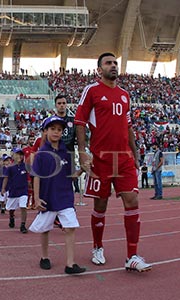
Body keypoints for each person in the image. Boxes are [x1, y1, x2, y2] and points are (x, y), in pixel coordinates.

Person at [75, 52, 152, 272]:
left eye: (115, 63)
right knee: (100, 205)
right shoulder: (91, 90)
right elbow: (79, 120)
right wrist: (82, 152)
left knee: (132, 201)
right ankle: (97, 246)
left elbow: (128, 126)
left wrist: (135, 153)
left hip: (125, 158)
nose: (113, 66)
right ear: (99, 69)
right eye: (108, 63)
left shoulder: (125, 95)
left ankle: (132, 256)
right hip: (101, 158)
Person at [29, 116, 85, 275]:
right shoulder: (41, 154)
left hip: (65, 196)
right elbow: (36, 176)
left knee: (70, 227)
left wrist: (82, 169)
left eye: (59, 129)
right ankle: (44, 257)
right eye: (52, 129)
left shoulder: (66, 153)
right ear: (45, 131)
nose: (56, 132)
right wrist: (37, 197)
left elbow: (71, 176)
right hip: (48, 197)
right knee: (45, 229)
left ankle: (70, 263)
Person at [2, 148, 29, 234]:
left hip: (23, 190)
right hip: (13, 191)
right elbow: (6, 178)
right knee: (11, 209)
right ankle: (11, 218)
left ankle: (23, 225)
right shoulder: (10, 168)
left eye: (21, 154)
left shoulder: (26, 166)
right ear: (13, 155)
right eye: (17, 154)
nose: (19, 156)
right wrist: (3, 188)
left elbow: (31, 177)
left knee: (23, 206)